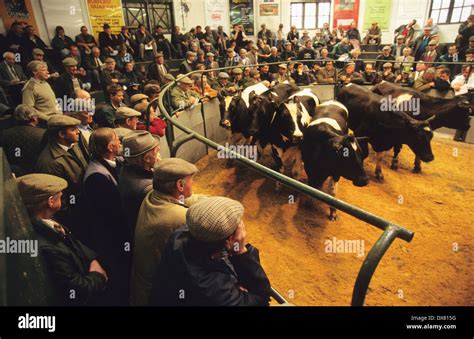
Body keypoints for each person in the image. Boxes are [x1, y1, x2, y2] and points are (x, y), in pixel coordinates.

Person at [150, 196, 272, 306]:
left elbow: (205, 223)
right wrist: (240, 251)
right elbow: (261, 298)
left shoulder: (179, 236)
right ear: (230, 239)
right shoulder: (214, 288)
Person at [17, 173, 108, 306]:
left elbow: (75, 243)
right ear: (51, 201)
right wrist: (97, 276)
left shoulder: (46, 222)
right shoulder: (47, 247)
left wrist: (93, 259)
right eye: (59, 194)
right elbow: (77, 290)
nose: (62, 195)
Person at [131, 158, 207, 306]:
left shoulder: (153, 196)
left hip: (142, 286)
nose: (193, 184)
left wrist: (206, 200)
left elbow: (184, 201)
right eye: (191, 180)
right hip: (157, 296)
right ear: (180, 185)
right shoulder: (179, 218)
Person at [83, 128, 131, 305]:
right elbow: (113, 215)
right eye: (118, 140)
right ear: (111, 147)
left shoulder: (111, 163)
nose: (120, 143)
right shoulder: (96, 177)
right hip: (113, 239)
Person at [118, 131, 160, 236]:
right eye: (155, 150)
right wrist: (160, 168)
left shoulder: (126, 167)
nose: (159, 150)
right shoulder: (147, 188)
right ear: (146, 158)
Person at [0, 105, 46, 175]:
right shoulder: (43, 134)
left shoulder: (4, 133)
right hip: (36, 174)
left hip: (11, 174)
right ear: (33, 118)